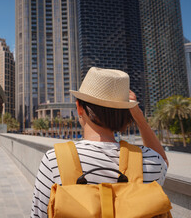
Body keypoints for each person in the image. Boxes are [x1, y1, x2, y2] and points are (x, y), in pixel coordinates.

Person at [30, 67, 168, 218]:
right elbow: (163, 160)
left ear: (79, 108)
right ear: (127, 112)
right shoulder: (152, 162)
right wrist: (140, 119)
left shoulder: (54, 160)